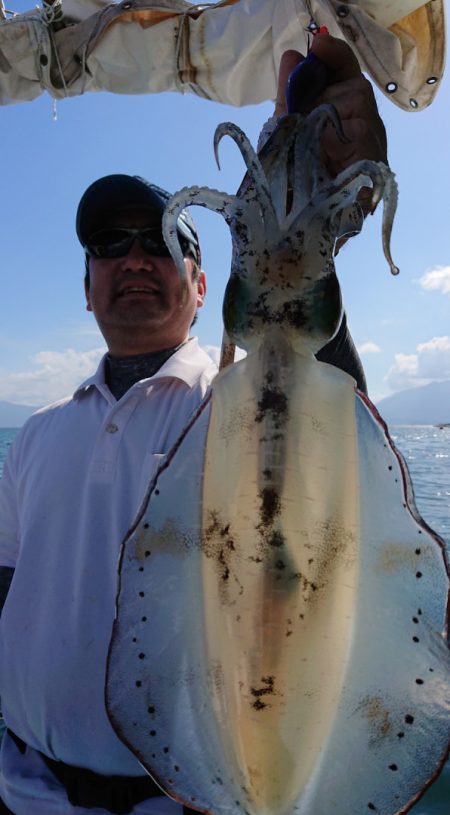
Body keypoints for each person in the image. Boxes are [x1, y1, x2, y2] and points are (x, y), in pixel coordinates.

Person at [0, 33, 386, 815]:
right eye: (110, 245)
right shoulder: (36, 432)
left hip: (184, 800)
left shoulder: (235, 404)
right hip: (21, 785)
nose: (136, 258)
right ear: (85, 287)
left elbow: (328, 426)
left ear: (206, 284)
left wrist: (319, 248)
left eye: (165, 242)